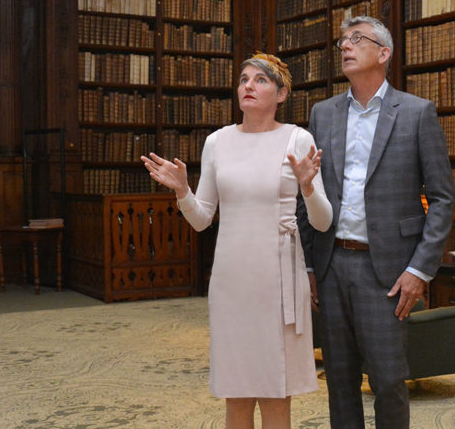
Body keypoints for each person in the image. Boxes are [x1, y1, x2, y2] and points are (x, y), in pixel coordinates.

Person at [141, 52, 332, 429]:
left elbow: (323, 222)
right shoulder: (217, 142)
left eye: (260, 80)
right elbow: (201, 220)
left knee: (276, 394)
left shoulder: (298, 138)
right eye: (244, 79)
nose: (248, 86)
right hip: (231, 282)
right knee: (237, 393)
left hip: (277, 280)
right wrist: (183, 191)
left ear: (281, 94)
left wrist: (308, 187)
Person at [297, 16, 455, 428]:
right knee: (340, 382)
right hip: (332, 266)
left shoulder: (417, 113)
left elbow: (441, 198)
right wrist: (310, 264)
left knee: (388, 381)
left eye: (356, 40)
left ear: (383, 54)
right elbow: (307, 190)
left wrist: (420, 270)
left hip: (387, 272)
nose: (345, 47)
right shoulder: (323, 114)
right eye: (342, 42)